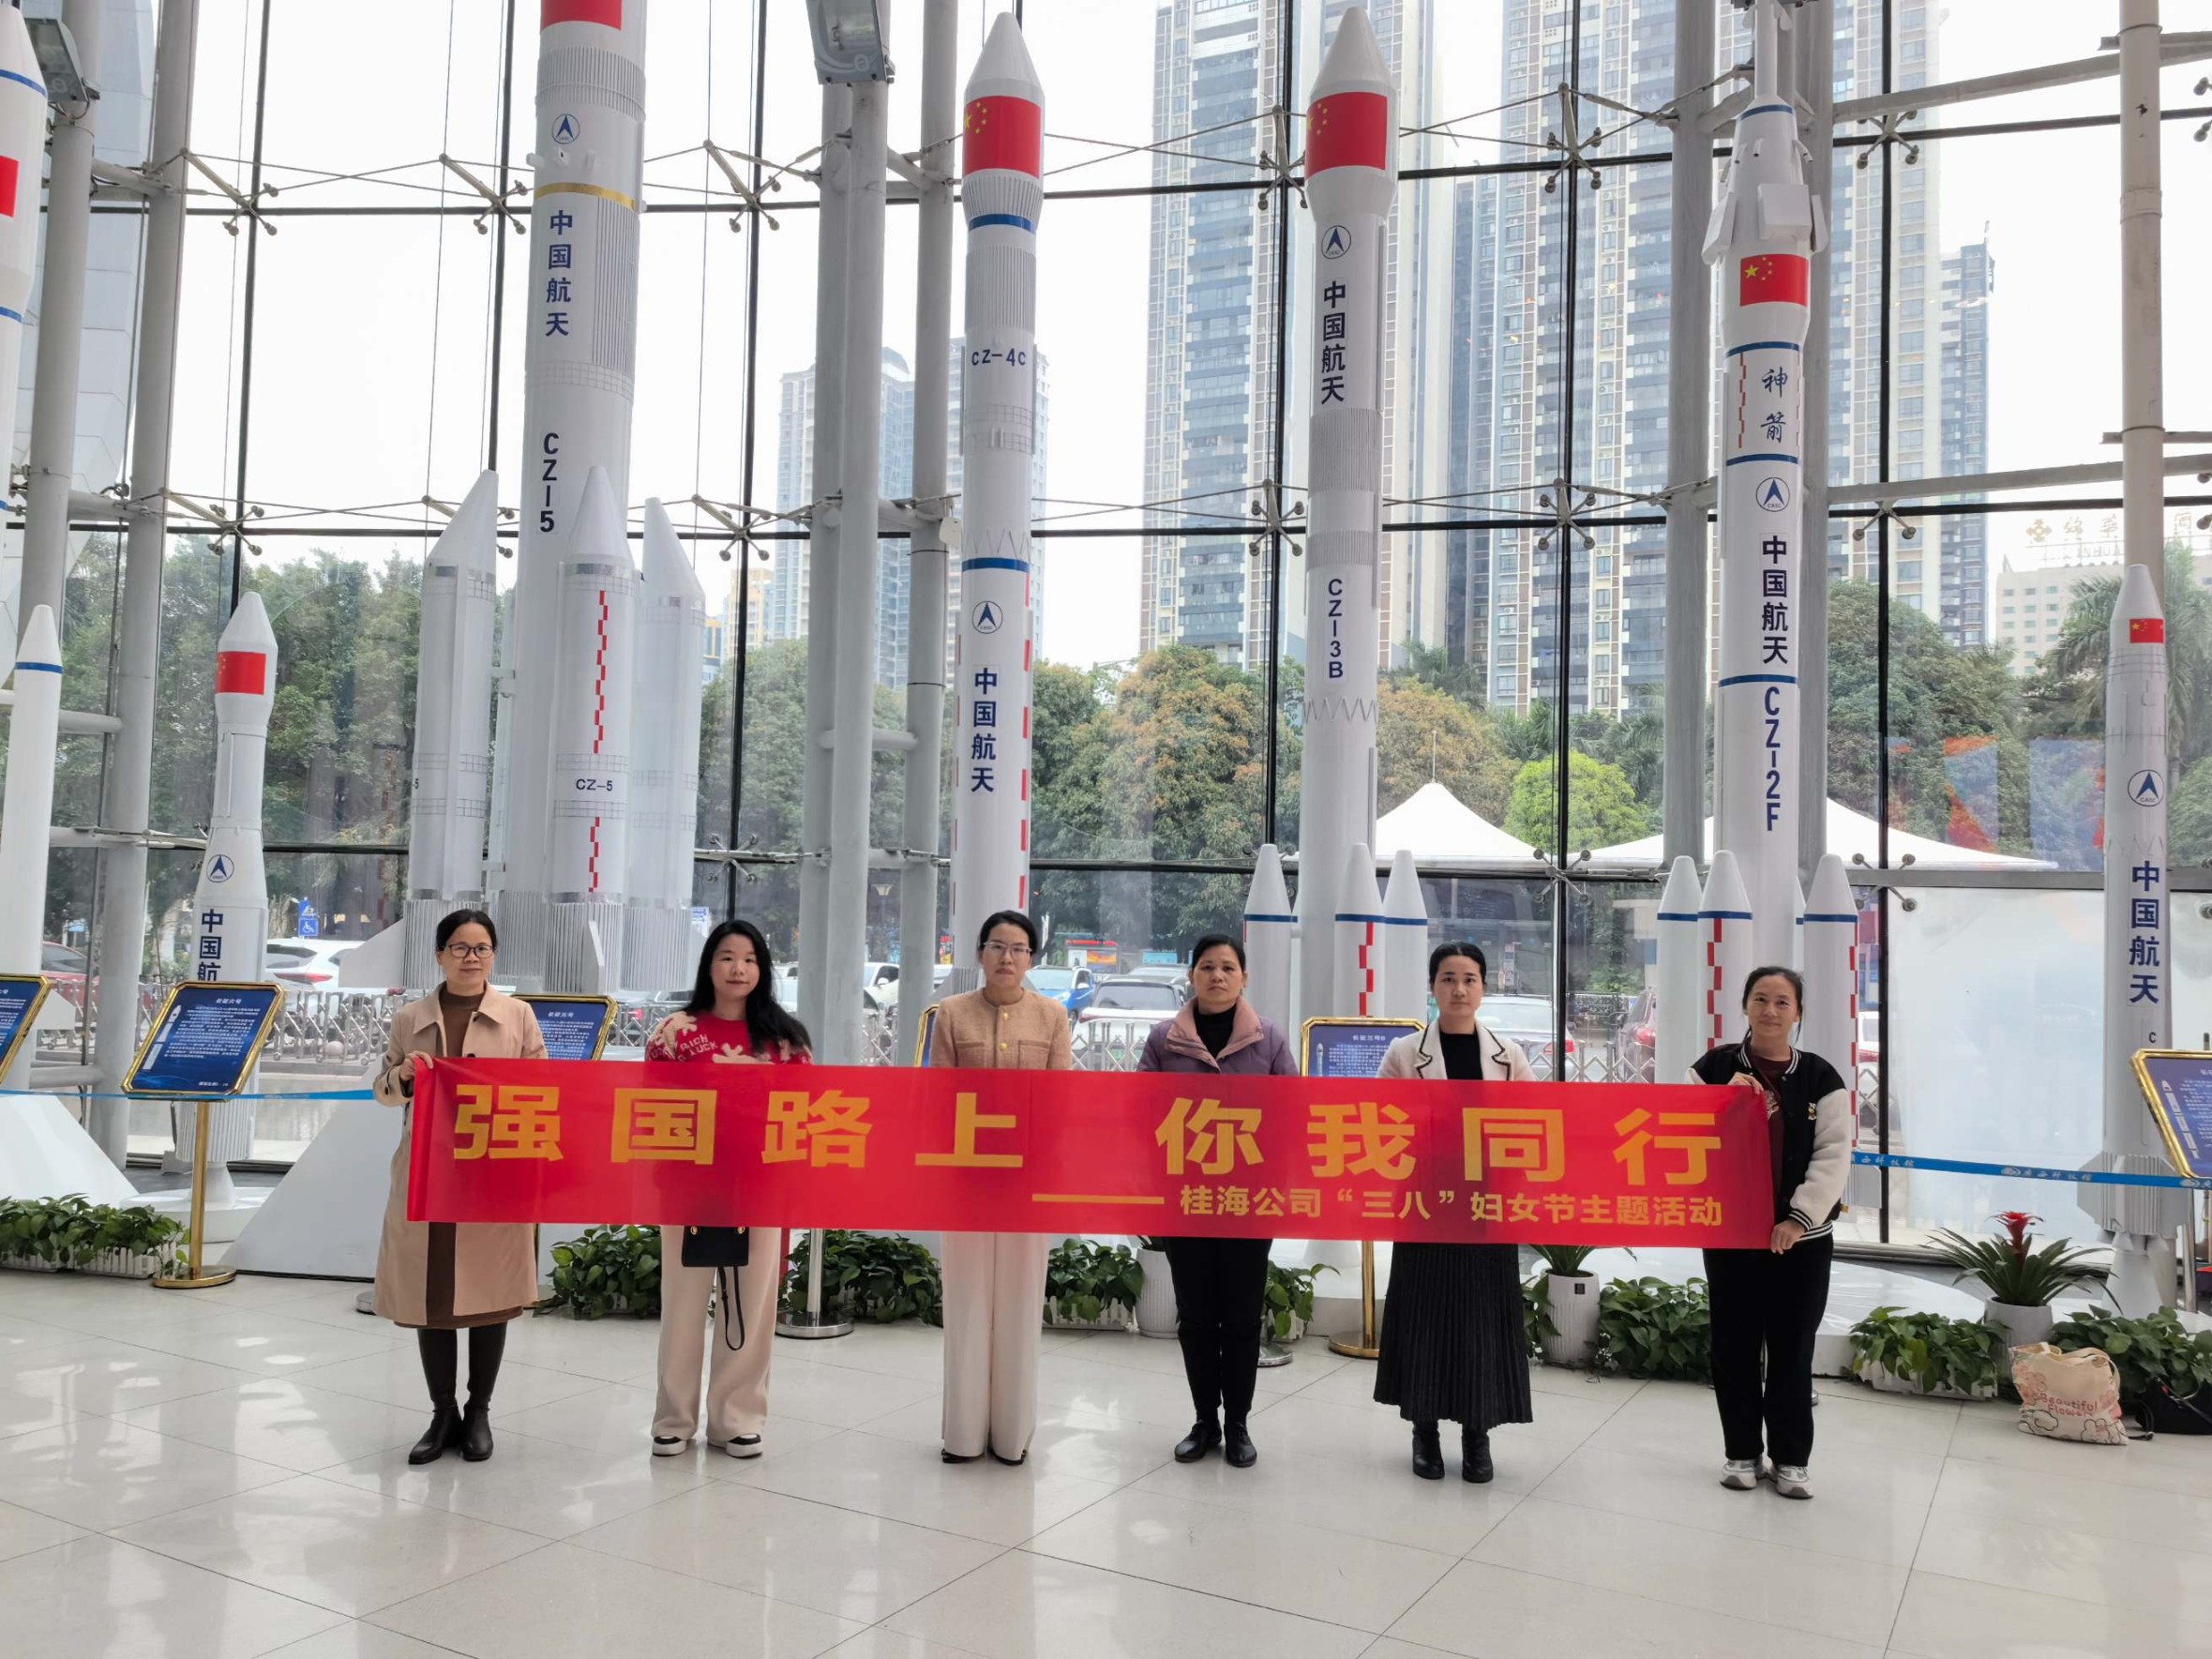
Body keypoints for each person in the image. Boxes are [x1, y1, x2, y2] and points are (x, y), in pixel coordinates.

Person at [372, 909, 547, 1465]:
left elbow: (542, 1087)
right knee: (433, 1296)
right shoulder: (410, 1018)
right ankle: (442, 1412)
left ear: (493, 955)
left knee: (490, 1296)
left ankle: (479, 1412)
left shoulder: (518, 1016)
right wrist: (403, 1077)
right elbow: (382, 1089)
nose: (471, 958)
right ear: (439, 955)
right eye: (460, 947)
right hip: (428, 1173)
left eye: (481, 948)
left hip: (491, 1175)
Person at [647, 920, 811, 1459]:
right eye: (726, 957)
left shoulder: (786, 1041)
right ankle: (673, 1419)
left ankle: (736, 1418)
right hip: (689, 1188)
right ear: (709, 965)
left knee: (752, 1305)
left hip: (760, 1188)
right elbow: (653, 1111)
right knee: (683, 1303)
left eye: (749, 959)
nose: (738, 969)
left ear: (762, 969)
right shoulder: (673, 1033)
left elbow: (801, 1117)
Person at [1372, 941, 1535, 1484]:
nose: (1459, 989)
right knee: (1424, 1315)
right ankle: (1424, 1432)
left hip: (1487, 1207)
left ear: (1484, 987)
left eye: (1469, 979)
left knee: (1482, 1320)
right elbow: (1383, 1126)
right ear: (1432, 987)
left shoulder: (1509, 1055)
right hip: (1425, 1203)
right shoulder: (1403, 1054)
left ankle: (1477, 1432)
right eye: (1447, 979)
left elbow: (1531, 1128)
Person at [1136, 935, 1298, 1470]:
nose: (1217, 976)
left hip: (1249, 1199)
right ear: (1192, 976)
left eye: (1228, 967)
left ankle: (1239, 1425)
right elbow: (1140, 1112)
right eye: (1207, 966)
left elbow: (1291, 1113)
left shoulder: (1269, 1039)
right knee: (1197, 1316)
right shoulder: (1164, 1041)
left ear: (1244, 978)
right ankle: (1204, 1420)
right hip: (1186, 1197)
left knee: (1242, 1317)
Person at [1692, 965, 1850, 1501]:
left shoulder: (1821, 1078)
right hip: (1732, 1237)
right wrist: (1723, 1103)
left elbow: (1833, 1155)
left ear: (1798, 1012)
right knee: (1733, 1347)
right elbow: (1683, 1137)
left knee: (1792, 1350)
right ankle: (1740, 1452)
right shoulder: (1713, 1069)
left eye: (1783, 1002)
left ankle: (1791, 1459)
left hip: (1801, 1243)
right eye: (1760, 999)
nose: (1770, 1010)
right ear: (1744, 1006)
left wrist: (1798, 1218)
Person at [928, 909, 1073, 1465]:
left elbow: (1060, 1101)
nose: (1006, 958)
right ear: (979, 955)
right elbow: (938, 1096)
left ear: (1031, 958)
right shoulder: (952, 1013)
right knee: (966, 1300)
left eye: (1017, 949)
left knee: (1019, 1300)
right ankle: (962, 1435)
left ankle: (1013, 1435)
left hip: (1027, 1181)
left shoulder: (1052, 1016)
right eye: (996, 946)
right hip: (965, 1177)